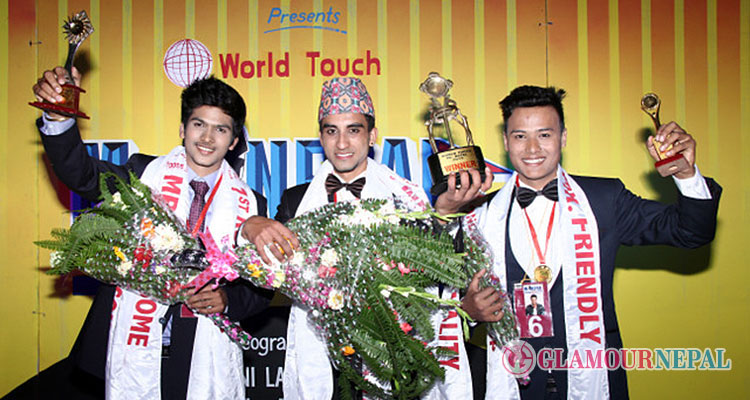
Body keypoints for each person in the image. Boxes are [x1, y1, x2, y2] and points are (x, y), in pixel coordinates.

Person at [436, 85, 721, 399]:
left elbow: (690, 232)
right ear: (505, 142)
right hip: (509, 379)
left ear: (563, 137)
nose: (532, 148)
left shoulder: (604, 199)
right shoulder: (478, 213)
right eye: (520, 136)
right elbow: (433, 293)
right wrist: (467, 310)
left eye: (545, 134)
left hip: (594, 375)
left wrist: (686, 174)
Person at [33, 66, 271, 399]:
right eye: (199, 124)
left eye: (220, 129)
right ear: (182, 128)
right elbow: (82, 175)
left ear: (233, 141)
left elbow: (262, 286)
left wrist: (227, 300)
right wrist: (59, 118)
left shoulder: (251, 204)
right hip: (128, 342)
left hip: (200, 353)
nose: (207, 138)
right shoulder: (142, 174)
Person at [239, 77, 473, 399]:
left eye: (353, 130)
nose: (342, 143)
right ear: (320, 136)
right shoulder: (296, 200)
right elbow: (266, 271)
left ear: (372, 135)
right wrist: (249, 227)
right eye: (331, 131)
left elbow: (441, 268)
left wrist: (446, 215)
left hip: (392, 357)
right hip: (323, 356)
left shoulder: (405, 197)